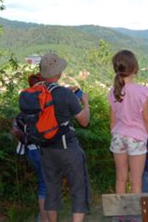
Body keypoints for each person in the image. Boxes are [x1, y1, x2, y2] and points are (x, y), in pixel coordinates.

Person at [37, 53, 91, 222]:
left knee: (52, 189)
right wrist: (86, 103)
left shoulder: (37, 90)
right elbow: (84, 121)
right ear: (59, 72)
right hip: (67, 147)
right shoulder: (66, 95)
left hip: (46, 148)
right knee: (79, 188)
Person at [108, 50, 148, 194]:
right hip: (136, 137)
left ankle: (120, 213)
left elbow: (112, 120)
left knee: (121, 178)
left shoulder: (113, 91)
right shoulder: (140, 92)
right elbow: (147, 119)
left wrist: (115, 136)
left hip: (118, 136)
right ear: (135, 68)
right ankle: (134, 215)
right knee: (136, 181)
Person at [25, 73, 48, 222]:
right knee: (46, 185)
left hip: (31, 149)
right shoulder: (44, 102)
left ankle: (43, 215)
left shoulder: (25, 101)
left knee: (43, 183)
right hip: (43, 150)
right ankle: (45, 218)